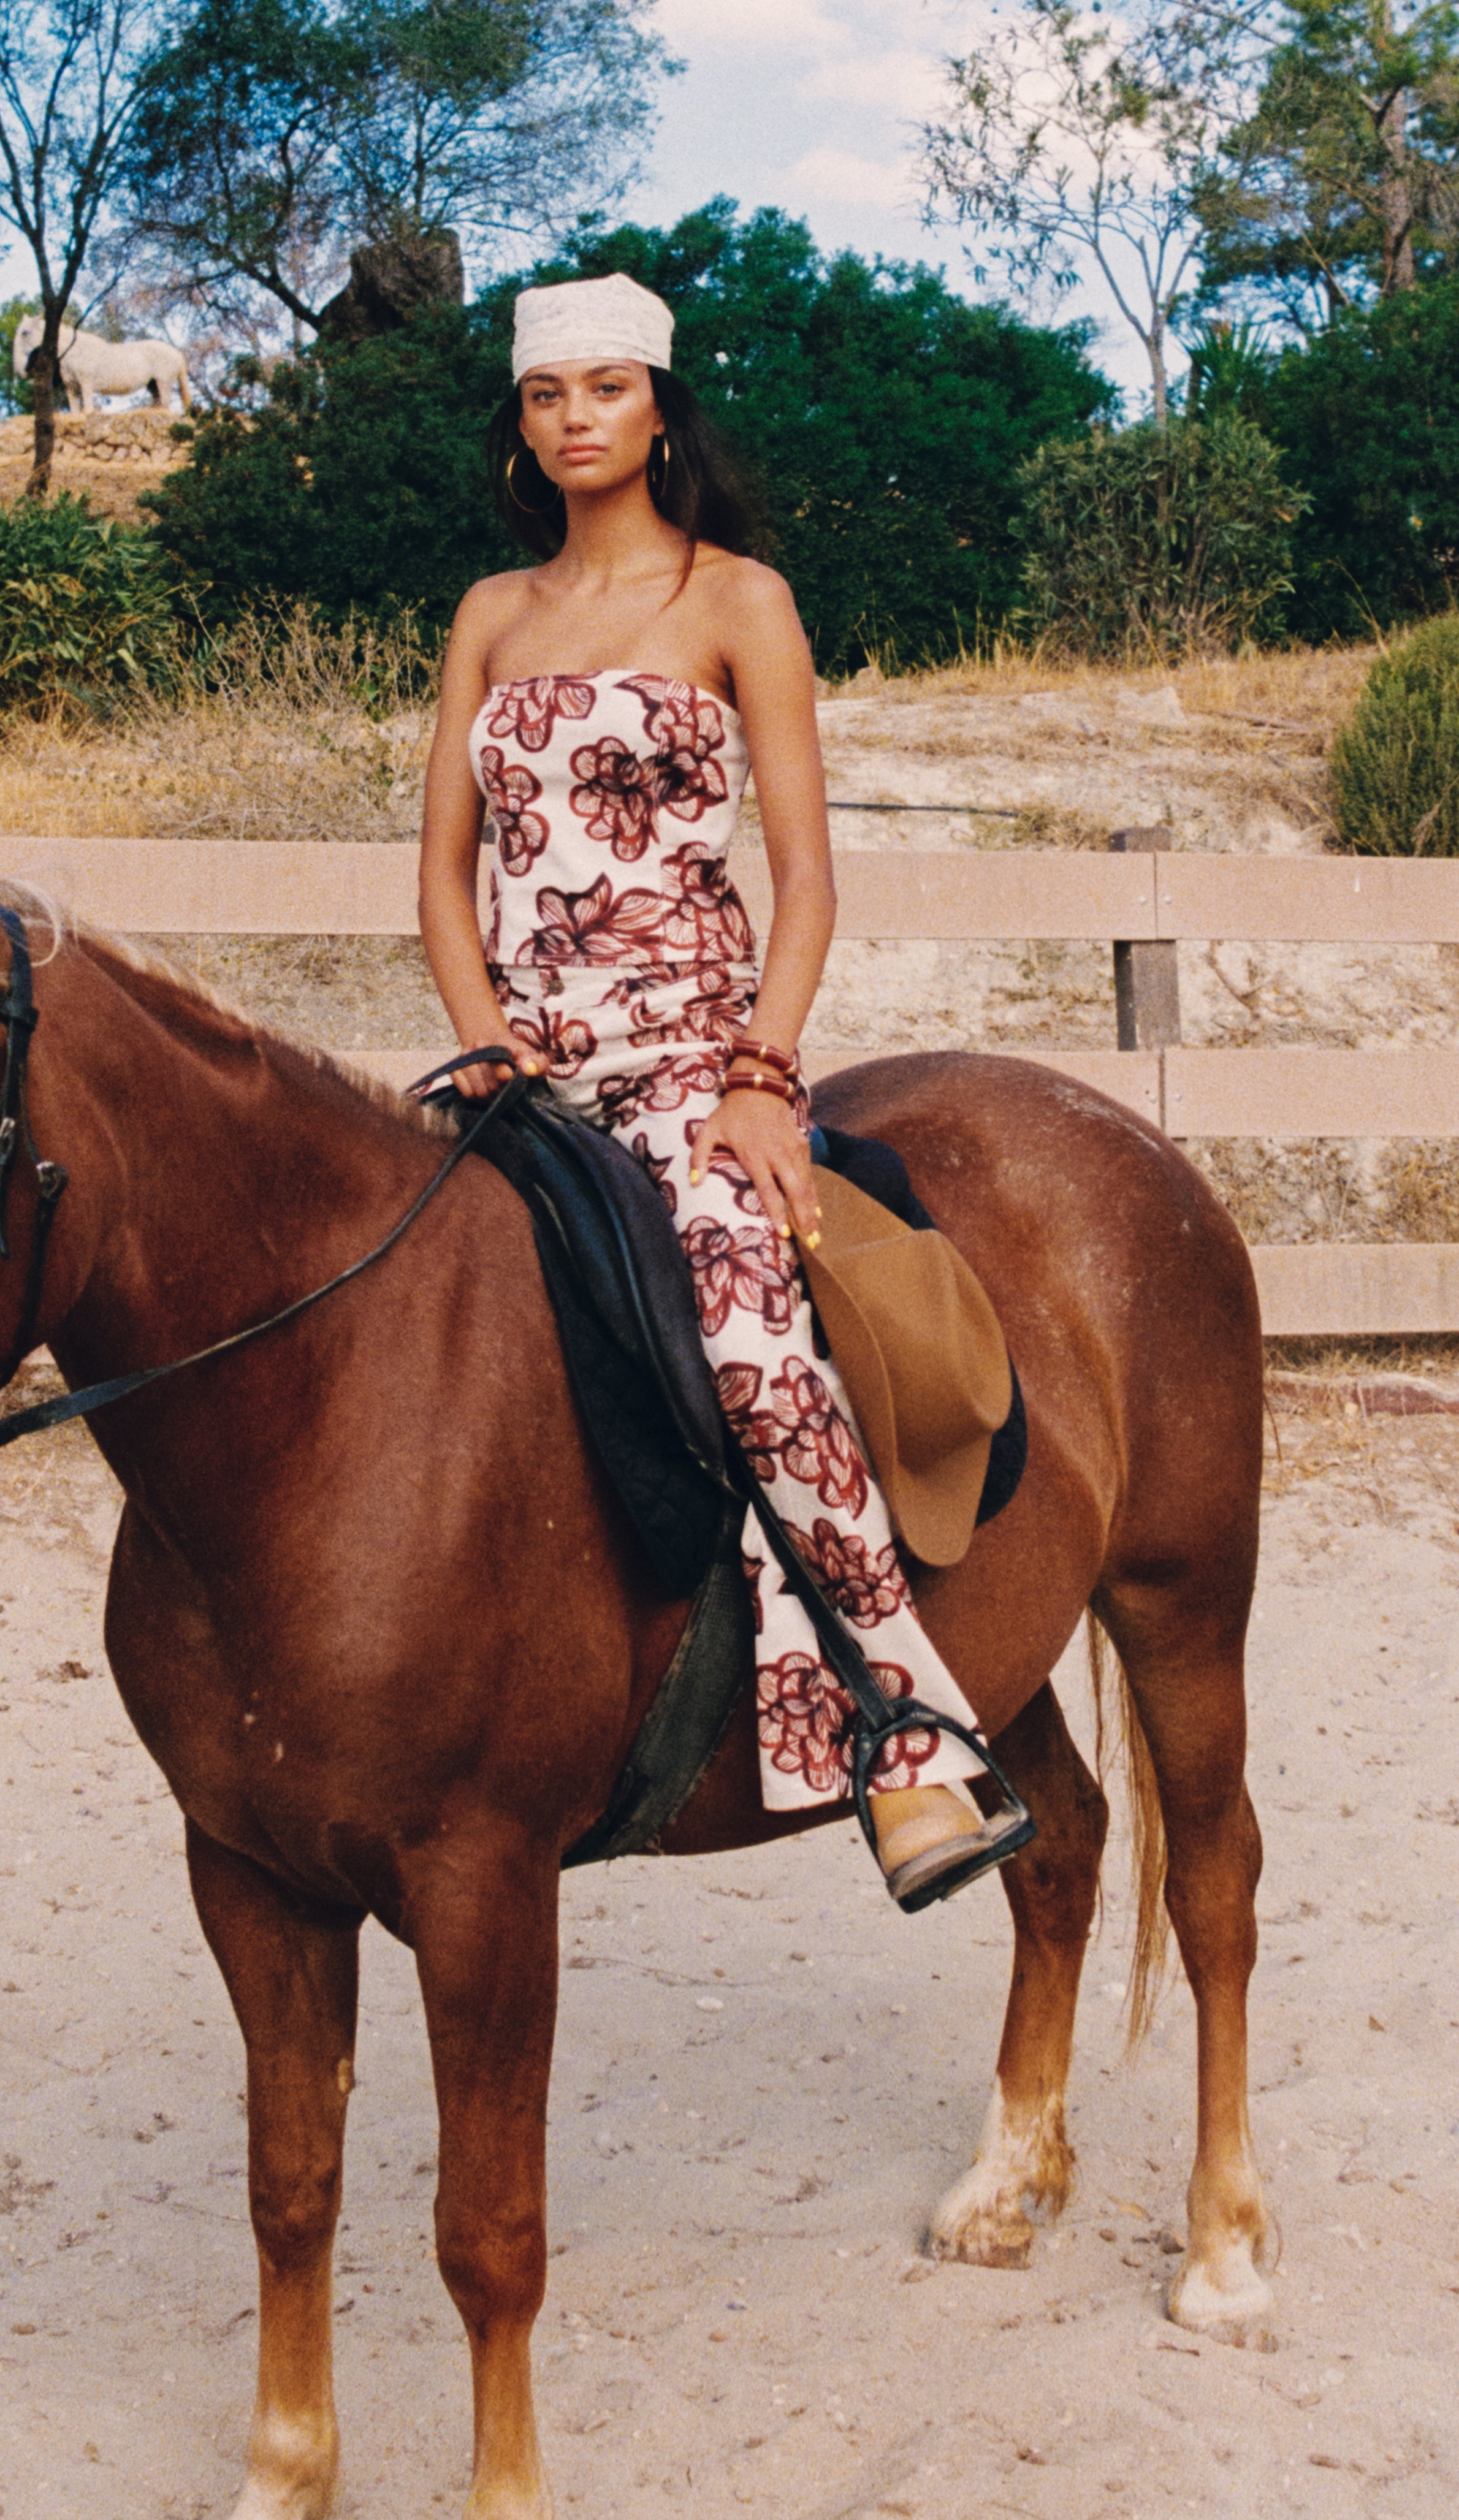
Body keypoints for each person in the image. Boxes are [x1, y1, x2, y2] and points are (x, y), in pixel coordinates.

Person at [417, 270, 994, 1907]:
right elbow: (442, 878)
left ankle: (906, 1729)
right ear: (522, 424)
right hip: (526, 1072)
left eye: (605, 388)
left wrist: (758, 1074)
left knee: (750, 1349)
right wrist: (481, 1034)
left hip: (692, 1062)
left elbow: (806, 880)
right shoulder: (490, 614)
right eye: (547, 395)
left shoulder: (739, 599)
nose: (575, 418)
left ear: (661, 409)